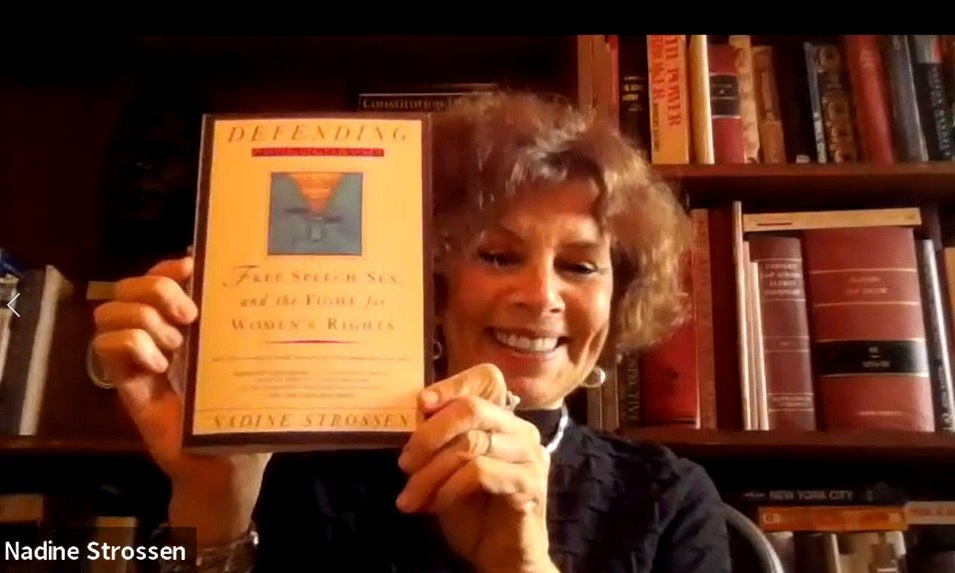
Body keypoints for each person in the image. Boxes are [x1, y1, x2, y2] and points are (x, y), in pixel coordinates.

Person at [92, 90, 731, 573]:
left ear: (620, 296)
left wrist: (523, 564)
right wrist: (214, 507)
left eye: (580, 266)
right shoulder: (286, 467)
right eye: (498, 256)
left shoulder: (668, 499)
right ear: (429, 280)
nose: (540, 296)